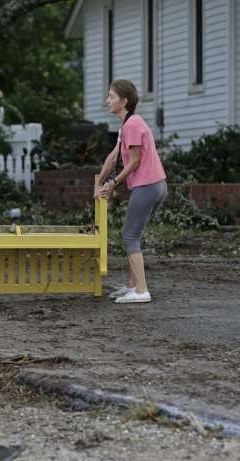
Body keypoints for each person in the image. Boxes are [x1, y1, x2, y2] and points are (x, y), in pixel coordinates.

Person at [94, 79, 167, 303]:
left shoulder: (133, 124)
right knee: (133, 235)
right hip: (154, 185)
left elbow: (134, 162)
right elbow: (114, 156)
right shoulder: (126, 125)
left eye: (112, 96)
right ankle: (132, 285)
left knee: (130, 236)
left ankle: (142, 291)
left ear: (124, 101)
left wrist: (113, 183)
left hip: (148, 186)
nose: (108, 100)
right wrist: (99, 181)